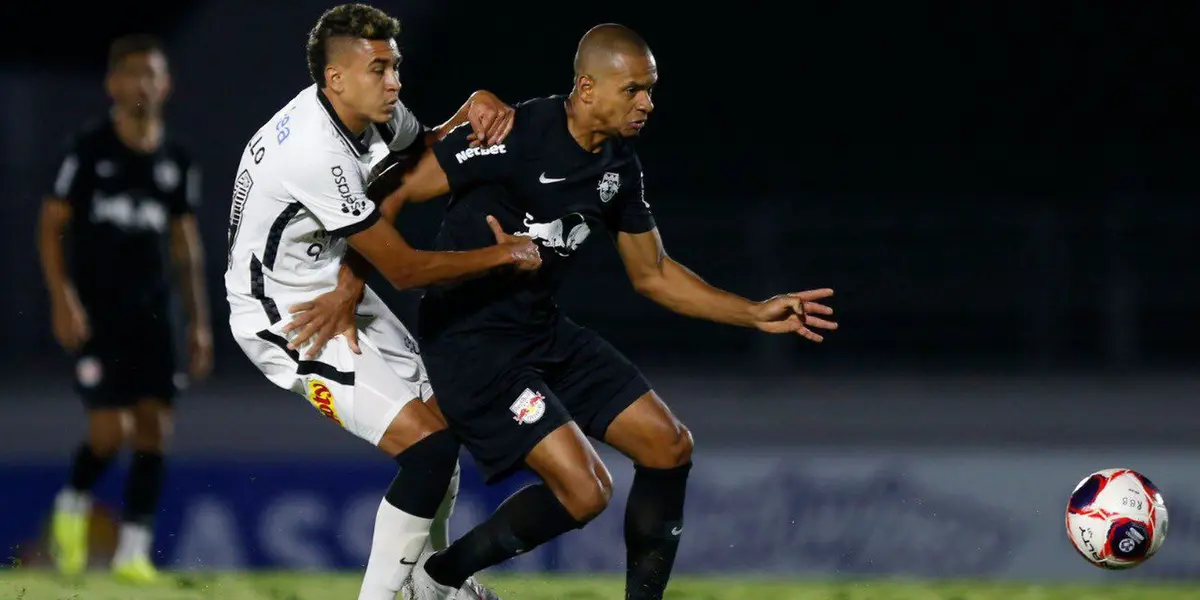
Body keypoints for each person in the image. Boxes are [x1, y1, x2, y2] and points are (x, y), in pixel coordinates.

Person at [347, 22, 839, 600]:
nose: (647, 103)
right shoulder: (512, 133)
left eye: (649, 89)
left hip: (541, 331)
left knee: (668, 446)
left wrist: (753, 313)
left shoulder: (618, 165)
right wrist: (348, 282)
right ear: (587, 88)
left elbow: (653, 274)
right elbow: (393, 192)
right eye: (633, 89)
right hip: (472, 344)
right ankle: (438, 581)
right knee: (587, 492)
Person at [223, 4, 540, 599]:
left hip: (333, 283)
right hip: (286, 317)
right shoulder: (314, 151)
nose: (394, 83)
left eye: (395, 67)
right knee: (428, 449)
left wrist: (469, 109)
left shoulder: (367, 113)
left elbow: (421, 152)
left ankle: (433, 587)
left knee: (444, 430)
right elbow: (405, 268)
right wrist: (503, 255)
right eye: (379, 69)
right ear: (336, 77)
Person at [38, 33, 213, 583]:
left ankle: (132, 552)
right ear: (112, 83)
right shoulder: (89, 149)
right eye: (132, 72)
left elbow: (185, 242)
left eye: (151, 73)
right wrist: (62, 297)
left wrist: (200, 323)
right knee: (110, 429)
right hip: (98, 311)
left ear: (166, 84)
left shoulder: (177, 159)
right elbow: (50, 225)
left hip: (156, 311)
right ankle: (72, 503)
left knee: (155, 426)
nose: (142, 83)